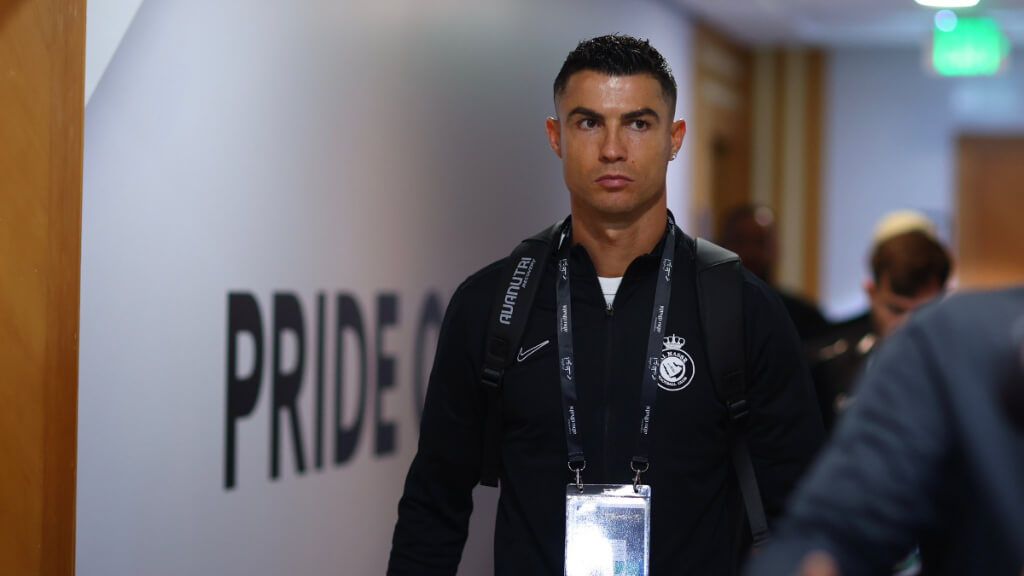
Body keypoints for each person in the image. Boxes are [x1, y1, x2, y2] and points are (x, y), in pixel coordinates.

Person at [387, 35, 824, 575]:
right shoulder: (494, 304)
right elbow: (434, 502)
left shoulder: (741, 308)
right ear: (556, 136)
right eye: (588, 122)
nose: (613, 148)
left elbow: (802, 512)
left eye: (638, 123)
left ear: (674, 138)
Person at [746, 287, 1024, 576]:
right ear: (871, 292)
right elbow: (835, 530)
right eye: (897, 309)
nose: (903, 323)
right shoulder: (950, 346)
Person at [812, 211, 952, 431]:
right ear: (871, 293)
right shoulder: (825, 366)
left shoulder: (970, 369)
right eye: (896, 310)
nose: (907, 325)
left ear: (944, 298)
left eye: (922, 311)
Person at [719, 204, 829, 341]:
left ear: (776, 249)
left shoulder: (804, 318)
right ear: (721, 245)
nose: (750, 252)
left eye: (760, 242)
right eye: (739, 241)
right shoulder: (703, 312)